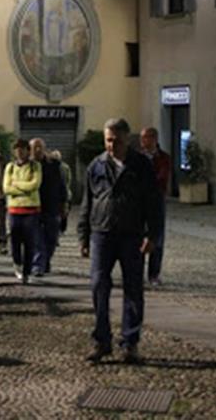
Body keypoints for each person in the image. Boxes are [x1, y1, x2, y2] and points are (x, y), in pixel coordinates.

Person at [78, 118, 162, 365]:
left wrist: (152, 235)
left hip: (132, 234)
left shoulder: (141, 165)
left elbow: (154, 203)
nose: (112, 145)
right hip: (101, 233)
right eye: (108, 140)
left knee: (133, 289)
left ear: (127, 139)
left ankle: (130, 342)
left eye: (116, 140)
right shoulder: (96, 165)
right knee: (98, 285)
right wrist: (83, 235)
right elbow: (88, 201)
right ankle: (101, 340)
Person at [3, 138, 42, 283]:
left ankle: (27, 272)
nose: (19, 152)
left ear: (27, 150)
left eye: (22, 149)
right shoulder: (10, 167)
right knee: (15, 242)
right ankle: (17, 264)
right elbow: (6, 188)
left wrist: (16, 185)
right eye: (17, 150)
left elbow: (34, 185)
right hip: (14, 210)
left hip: (31, 210)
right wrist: (24, 188)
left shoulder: (35, 166)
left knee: (30, 243)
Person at [31, 138, 68, 276]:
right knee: (37, 238)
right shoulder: (28, 165)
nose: (38, 150)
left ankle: (45, 261)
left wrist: (64, 205)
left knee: (51, 238)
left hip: (52, 206)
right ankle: (38, 265)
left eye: (40, 147)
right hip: (34, 207)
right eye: (35, 147)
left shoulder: (54, 165)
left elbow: (62, 185)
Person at [140, 127, 171, 286]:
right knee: (138, 235)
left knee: (157, 237)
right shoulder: (137, 157)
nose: (143, 141)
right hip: (139, 200)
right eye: (142, 137)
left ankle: (153, 274)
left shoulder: (163, 158)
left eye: (146, 137)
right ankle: (137, 272)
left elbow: (162, 177)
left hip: (157, 200)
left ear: (154, 139)